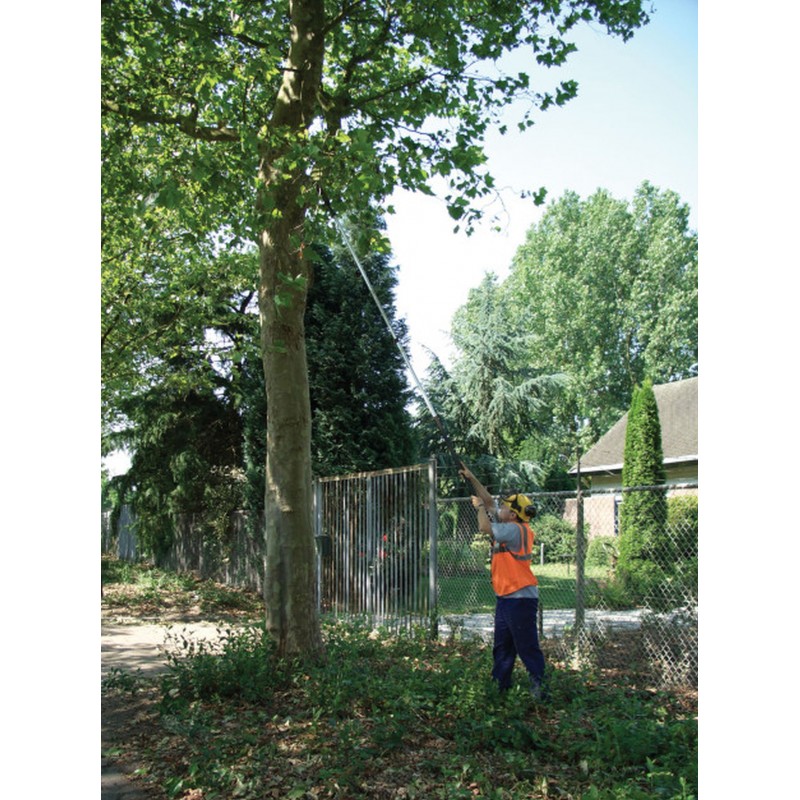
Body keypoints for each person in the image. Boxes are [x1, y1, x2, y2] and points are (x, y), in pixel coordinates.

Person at [459, 463, 547, 699]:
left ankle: (540, 688)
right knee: (503, 648)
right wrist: (472, 477)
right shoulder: (512, 524)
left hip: (519, 597)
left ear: (514, 514)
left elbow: (484, 525)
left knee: (526, 646)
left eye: (506, 507)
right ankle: (500, 688)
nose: (502, 508)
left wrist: (479, 507)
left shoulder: (514, 530)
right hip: (507, 597)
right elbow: (489, 501)